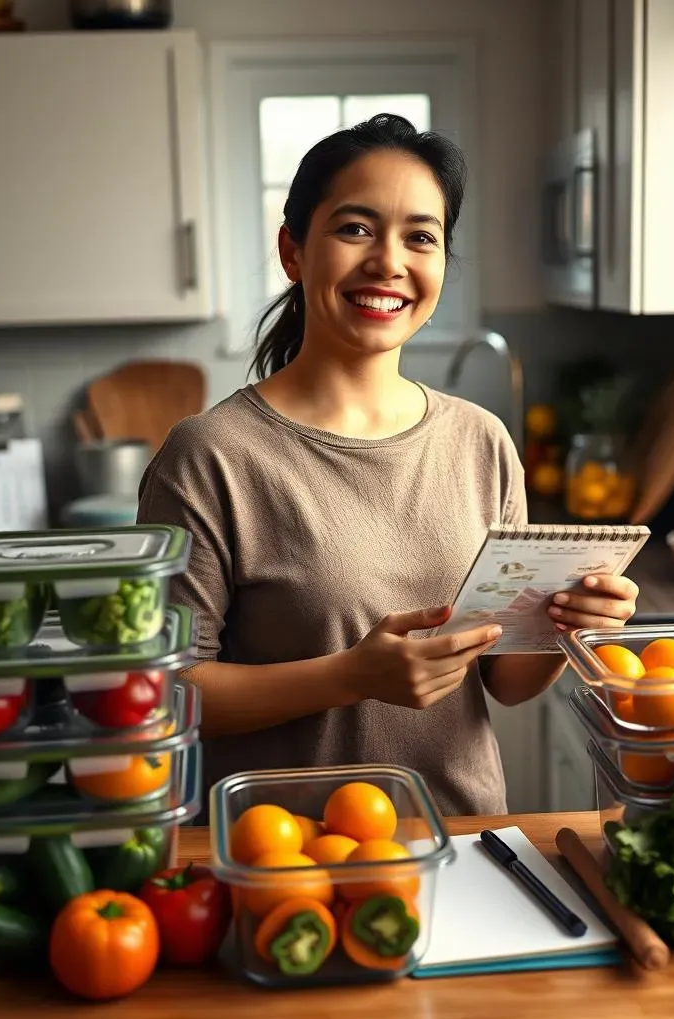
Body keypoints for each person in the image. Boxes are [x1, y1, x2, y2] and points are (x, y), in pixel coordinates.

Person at [137, 113, 638, 816]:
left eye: (420, 237)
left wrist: (570, 624)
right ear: (293, 250)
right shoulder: (212, 455)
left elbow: (505, 677)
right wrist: (350, 676)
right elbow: (168, 694)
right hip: (289, 861)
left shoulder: (481, 442)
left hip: (466, 842)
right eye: (354, 229)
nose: (388, 262)